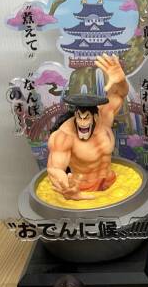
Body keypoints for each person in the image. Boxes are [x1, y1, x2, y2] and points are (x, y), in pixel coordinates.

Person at [45, 53, 129, 199]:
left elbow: (119, 95)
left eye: (86, 118)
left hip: (110, 182)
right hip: (83, 189)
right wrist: (67, 188)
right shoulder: (64, 136)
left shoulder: (104, 118)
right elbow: (54, 168)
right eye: (79, 117)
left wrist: (121, 81)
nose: (82, 122)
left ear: (95, 117)